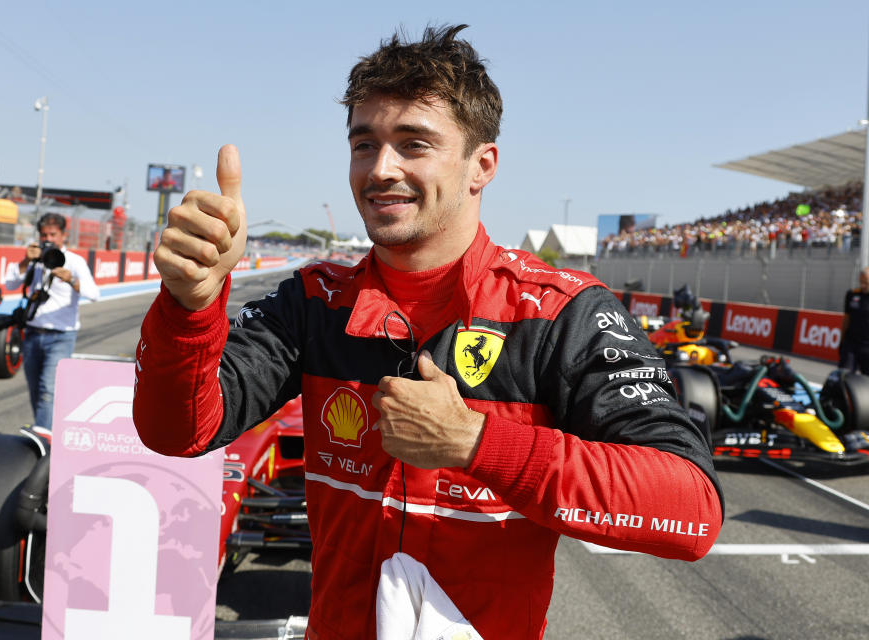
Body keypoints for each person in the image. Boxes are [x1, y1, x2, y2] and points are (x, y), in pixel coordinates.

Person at [133, 25, 723, 640]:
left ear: (481, 166)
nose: (381, 169)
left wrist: (476, 442)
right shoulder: (312, 301)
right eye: (365, 145)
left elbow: (690, 510)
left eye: (413, 144)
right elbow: (174, 431)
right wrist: (189, 308)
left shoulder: (560, 313)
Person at [4, 212, 99, 428]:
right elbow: (9, 284)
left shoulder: (74, 261)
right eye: (44, 234)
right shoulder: (35, 259)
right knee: (36, 389)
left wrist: (71, 280)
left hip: (61, 336)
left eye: (53, 234)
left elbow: (94, 294)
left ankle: (43, 440)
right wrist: (26, 259)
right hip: (32, 333)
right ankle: (45, 431)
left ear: (63, 235)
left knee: (48, 389)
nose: (48, 238)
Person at [839, 266, 869, 373]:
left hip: (867, 346)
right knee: (844, 376)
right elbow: (846, 319)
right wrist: (841, 340)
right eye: (861, 282)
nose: (863, 285)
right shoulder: (852, 294)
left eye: (866, 282)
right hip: (851, 343)